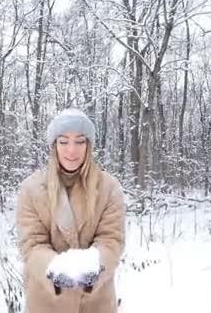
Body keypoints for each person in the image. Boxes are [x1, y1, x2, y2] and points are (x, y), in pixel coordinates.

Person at [16, 108, 126, 313]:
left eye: (80, 141)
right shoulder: (31, 189)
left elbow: (112, 240)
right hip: (47, 302)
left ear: (89, 145)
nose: (71, 151)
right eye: (64, 141)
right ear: (54, 146)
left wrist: (93, 266)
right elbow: (31, 244)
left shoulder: (109, 188)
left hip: (96, 303)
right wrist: (54, 268)